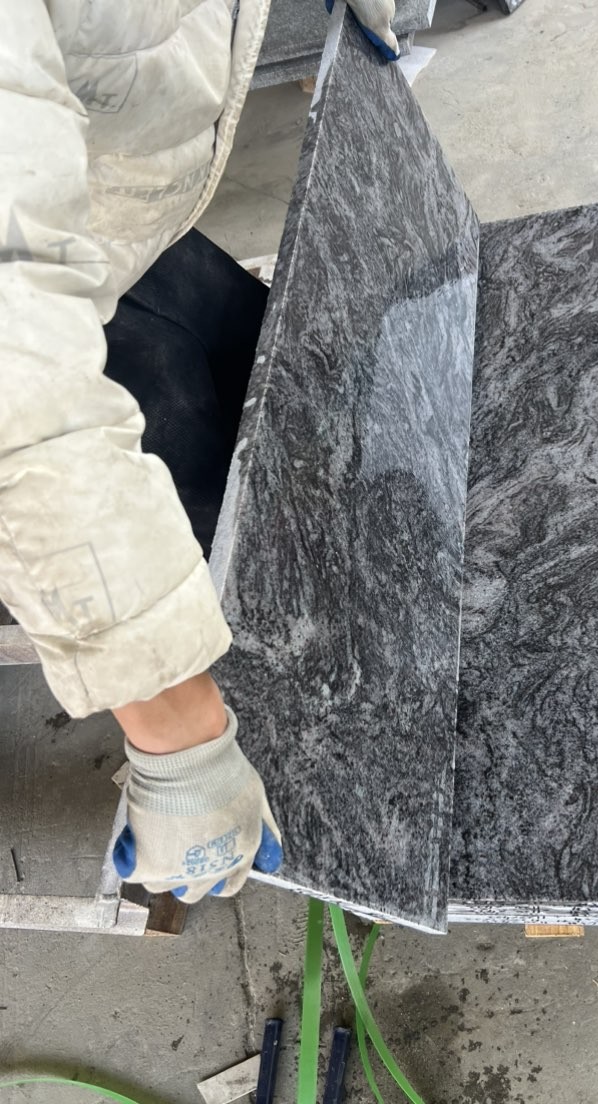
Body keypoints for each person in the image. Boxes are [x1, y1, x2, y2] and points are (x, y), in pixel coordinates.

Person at [0, 0, 398, 904]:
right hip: (24, 325)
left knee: (274, 408)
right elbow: (17, 386)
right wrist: (172, 720)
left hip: (97, 203)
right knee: (206, 542)